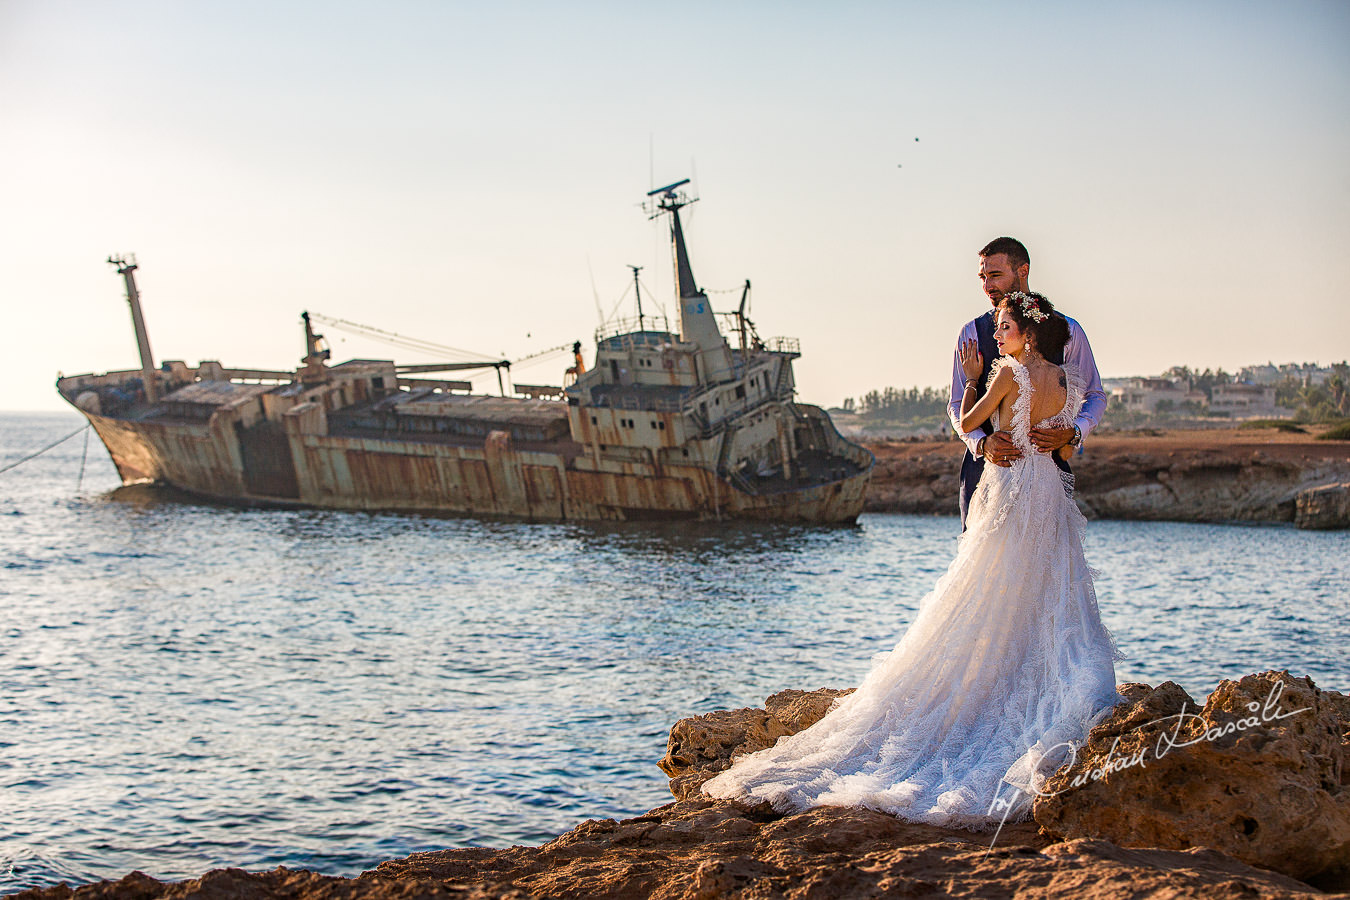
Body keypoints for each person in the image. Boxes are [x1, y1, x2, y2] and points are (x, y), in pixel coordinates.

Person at [700, 291, 1123, 830]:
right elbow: (1064, 447)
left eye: (1004, 328)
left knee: (985, 587)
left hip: (1010, 488)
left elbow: (971, 419)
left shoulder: (1009, 374)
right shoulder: (1069, 383)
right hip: (1048, 492)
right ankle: (1039, 673)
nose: (998, 337)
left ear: (1027, 332)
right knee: (1046, 587)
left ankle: (987, 683)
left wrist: (974, 379)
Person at [948, 237, 1107, 529]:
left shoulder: (1069, 331)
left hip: (1048, 473)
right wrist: (982, 444)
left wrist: (1074, 433)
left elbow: (1095, 394)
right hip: (984, 472)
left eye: (995, 275)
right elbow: (956, 406)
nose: (987, 286)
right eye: (983, 277)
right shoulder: (971, 332)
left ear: (1023, 271)